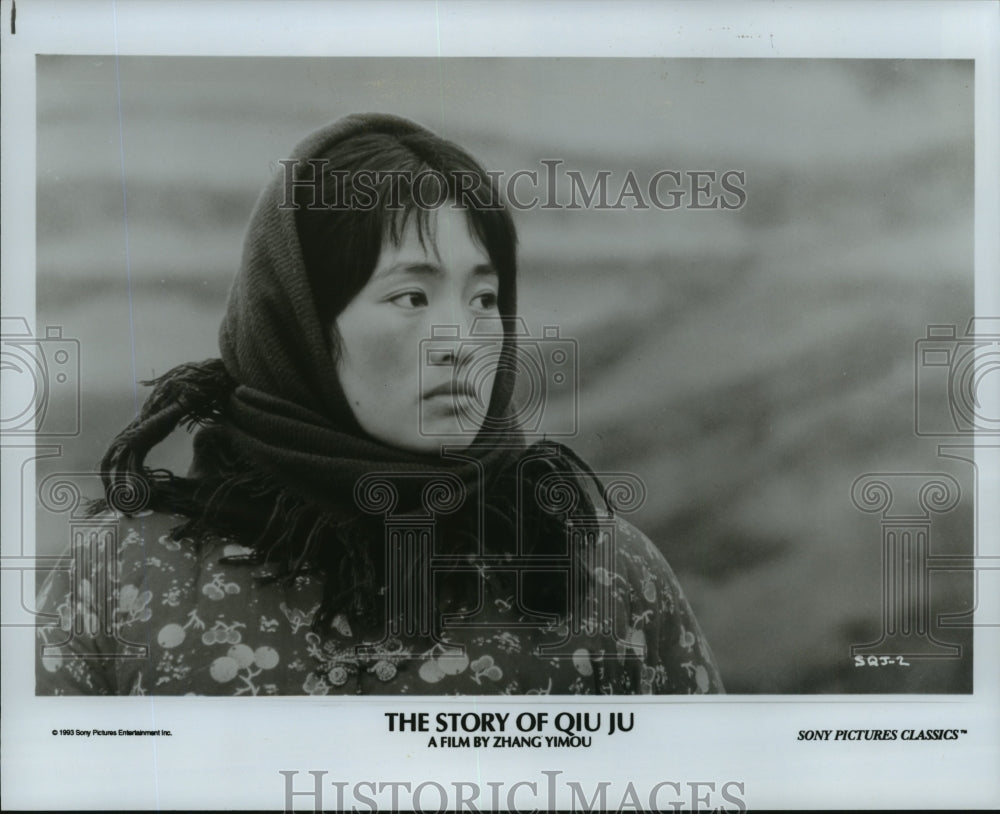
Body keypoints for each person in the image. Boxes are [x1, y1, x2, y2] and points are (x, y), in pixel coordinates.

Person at [35, 114, 723, 696]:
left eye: (484, 299)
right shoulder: (125, 580)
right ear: (298, 324)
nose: (461, 343)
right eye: (411, 297)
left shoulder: (602, 573)